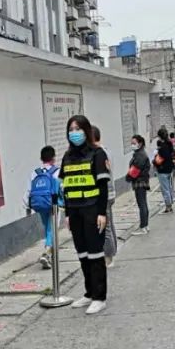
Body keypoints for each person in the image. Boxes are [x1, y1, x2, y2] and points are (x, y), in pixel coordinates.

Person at [61, 114, 112, 314]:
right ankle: (89, 292)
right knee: (82, 253)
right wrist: (67, 213)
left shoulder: (98, 154)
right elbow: (65, 187)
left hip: (92, 210)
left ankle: (100, 296)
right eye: (71, 130)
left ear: (86, 131)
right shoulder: (67, 157)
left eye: (78, 129)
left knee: (95, 253)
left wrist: (102, 213)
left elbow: (103, 186)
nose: (74, 133)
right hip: (74, 211)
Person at [24, 145, 61, 269]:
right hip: (53, 204)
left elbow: (29, 191)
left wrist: (27, 207)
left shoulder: (35, 173)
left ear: (41, 158)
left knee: (47, 228)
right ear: (53, 158)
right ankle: (47, 253)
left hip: (39, 205)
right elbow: (62, 189)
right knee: (52, 228)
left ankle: (49, 253)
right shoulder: (57, 171)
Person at [92, 126, 118, 268]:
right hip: (110, 192)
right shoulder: (106, 151)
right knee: (110, 223)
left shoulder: (99, 154)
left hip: (104, 194)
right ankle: (112, 251)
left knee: (104, 227)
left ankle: (108, 257)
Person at [128, 134, 152, 235]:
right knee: (143, 203)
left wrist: (129, 177)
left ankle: (143, 226)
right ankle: (145, 225)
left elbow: (136, 170)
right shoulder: (139, 153)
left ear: (140, 143)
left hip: (140, 182)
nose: (132, 145)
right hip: (141, 181)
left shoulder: (140, 155)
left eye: (134, 143)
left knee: (141, 204)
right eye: (131, 143)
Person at [154, 127, 175, 213]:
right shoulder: (169, 144)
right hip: (169, 168)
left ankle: (168, 206)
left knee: (165, 188)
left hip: (162, 169)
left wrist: (155, 161)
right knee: (169, 187)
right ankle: (170, 202)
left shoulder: (162, 147)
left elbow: (161, 159)